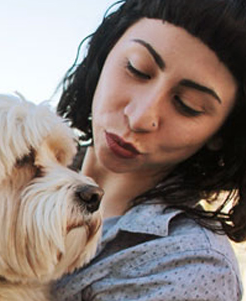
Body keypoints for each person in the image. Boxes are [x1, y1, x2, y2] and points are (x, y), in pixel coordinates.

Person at [51, 0, 246, 300]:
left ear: (221, 134)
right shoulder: (10, 164)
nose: (140, 116)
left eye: (187, 106)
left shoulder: (189, 268)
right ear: (105, 52)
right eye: (137, 69)